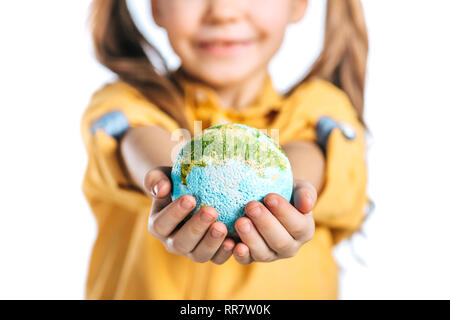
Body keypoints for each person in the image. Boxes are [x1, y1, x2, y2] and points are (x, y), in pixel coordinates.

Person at [81, 0, 369, 299]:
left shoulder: (320, 108)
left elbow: (309, 153)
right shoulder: (124, 101)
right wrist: (169, 185)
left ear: (298, 4)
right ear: (156, 6)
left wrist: (288, 199)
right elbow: (138, 139)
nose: (223, 12)